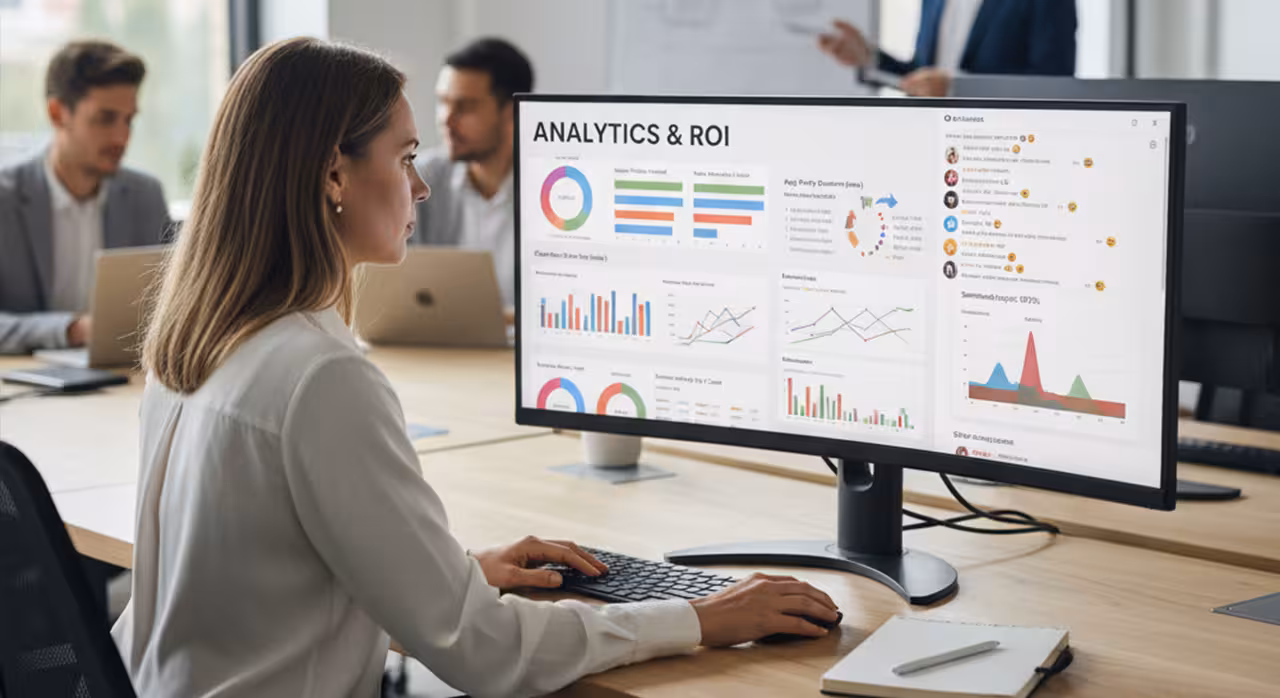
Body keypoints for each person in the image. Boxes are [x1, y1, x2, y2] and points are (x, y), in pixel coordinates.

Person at [118, 38, 839, 698]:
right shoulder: (321, 376)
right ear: (334, 173)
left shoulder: (194, 343)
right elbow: (484, 652)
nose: (422, 187)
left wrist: (450, 572)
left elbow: (268, 570)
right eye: (404, 158)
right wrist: (696, 617)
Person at [0, 40, 170, 354]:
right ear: (57, 113)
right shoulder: (5, 198)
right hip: (25, 382)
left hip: (120, 379)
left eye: (128, 120)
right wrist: (72, 330)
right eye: (105, 118)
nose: (122, 137)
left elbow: (173, 304)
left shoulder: (145, 195)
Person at [412, 38, 530, 312]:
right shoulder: (421, 179)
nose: (446, 119)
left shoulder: (553, 191)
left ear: (511, 112)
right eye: (442, 103)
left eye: (465, 107)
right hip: (439, 343)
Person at [818, 0, 1077, 97]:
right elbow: (923, 76)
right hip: (934, 145)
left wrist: (957, 88)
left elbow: (1054, 85)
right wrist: (869, 58)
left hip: (1004, 154)